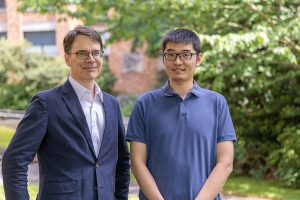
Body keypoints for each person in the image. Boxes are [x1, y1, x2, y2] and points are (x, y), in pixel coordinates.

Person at [2, 25, 130, 200]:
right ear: (67, 58)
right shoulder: (46, 103)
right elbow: (14, 161)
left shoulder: (112, 104)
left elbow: (122, 162)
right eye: (82, 53)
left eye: (96, 52)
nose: (91, 59)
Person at [126, 28, 237, 200]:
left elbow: (225, 162)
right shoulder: (145, 104)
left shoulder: (217, 103)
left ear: (198, 58)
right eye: (171, 54)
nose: (178, 62)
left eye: (186, 55)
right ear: (164, 58)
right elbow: (137, 163)